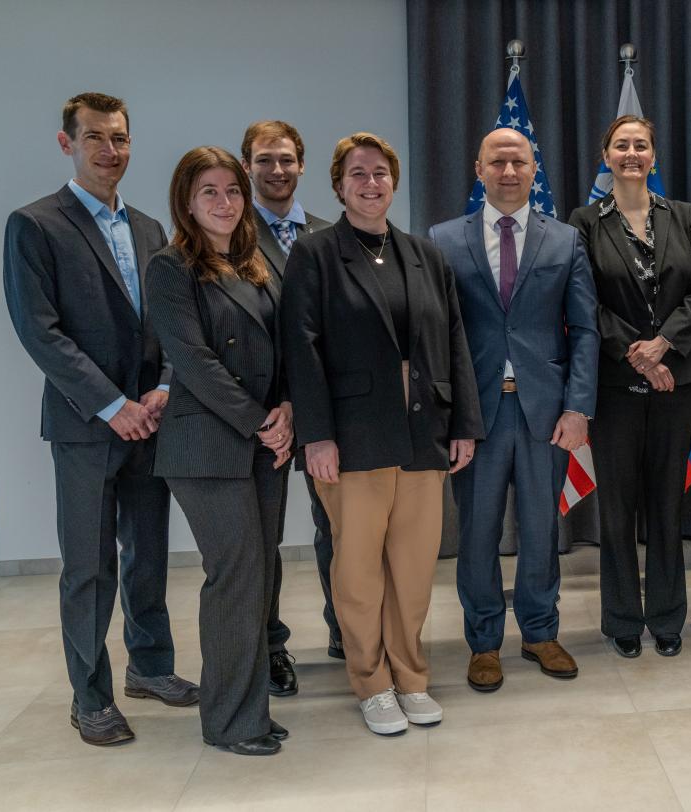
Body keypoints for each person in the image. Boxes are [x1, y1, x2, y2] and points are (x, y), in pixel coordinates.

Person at [3, 92, 196, 747]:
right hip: (86, 427)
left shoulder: (148, 228)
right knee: (88, 568)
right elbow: (41, 332)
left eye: (119, 138)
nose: (110, 151)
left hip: (153, 422)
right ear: (67, 144)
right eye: (95, 139)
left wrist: (167, 387)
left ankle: (152, 668)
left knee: (148, 557)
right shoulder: (34, 225)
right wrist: (113, 406)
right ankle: (90, 697)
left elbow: (172, 318)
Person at [282, 133, 483, 734]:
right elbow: (302, 349)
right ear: (339, 185)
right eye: (358, 174)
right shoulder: (314, 255)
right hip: (352, 437)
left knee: (414, 567)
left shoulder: (424, 254)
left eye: (381, 174)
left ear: (394, 183)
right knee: (359, 571)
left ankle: (411, 676)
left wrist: (465, 424)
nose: (371, 184)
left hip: (425, 431)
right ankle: (371, 683)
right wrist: (315, 435)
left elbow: (454, 343)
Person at [430, 127, 599, 691]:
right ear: (478, 170)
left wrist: (578, 407)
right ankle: (482, 642)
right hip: (476, 416)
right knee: (476, 533)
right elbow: (435, 336)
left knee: (539, 526)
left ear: (534, 170)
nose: (508, 171)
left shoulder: (565, 240)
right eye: (497, 162)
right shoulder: (443, 239)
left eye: (519, 162)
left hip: (545, 413)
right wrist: (447, 414)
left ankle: (539, 631)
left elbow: (585, 331)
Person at [147, 146, 292, 755]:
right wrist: (261, 421)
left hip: (264, 441)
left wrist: (288, 409)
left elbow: (286, 344)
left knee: (258, 578)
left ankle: (246, 702)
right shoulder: (170, 267)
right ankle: (230, 721)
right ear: (186, 200)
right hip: (207, 447)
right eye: (209, 191)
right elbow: (194, 362)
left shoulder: (257, 262)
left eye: (232, 190)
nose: (224, 202)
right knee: (233, 575)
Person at [568, 115, 691, 659]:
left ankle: (669, 617)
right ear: (606, 155)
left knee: (665, 506)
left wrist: (662, 346)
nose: (632, 153)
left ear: (654, 155)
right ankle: (624, 618)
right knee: (619, 510)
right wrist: (637, 352)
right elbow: (582, 298)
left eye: (642, 145)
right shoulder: (584, 221)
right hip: (612, 383)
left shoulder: (684, 215)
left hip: (678, 381)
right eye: (622, 145)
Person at [240, 120, 337, 696]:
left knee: (338, 528)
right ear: (246, 166)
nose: (276, 170)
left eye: (285, 159)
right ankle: (272, 646)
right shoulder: (227, 233)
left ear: (302, 164)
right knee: (265, 538)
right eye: (263, 160)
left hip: (326, 408)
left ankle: (346, 629)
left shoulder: (332, 232)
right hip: (265, 417)